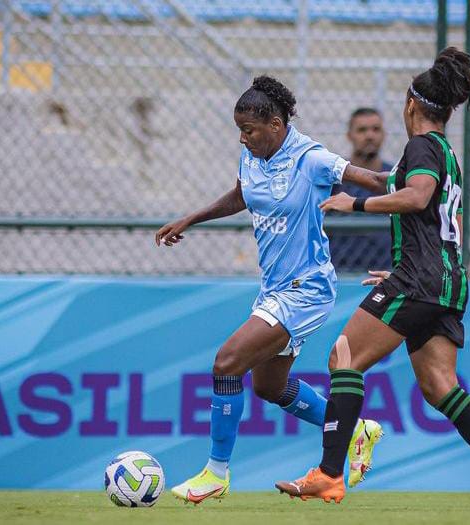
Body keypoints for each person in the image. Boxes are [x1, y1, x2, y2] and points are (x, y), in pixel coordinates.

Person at [275, 48, 470, 511]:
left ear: (410, 104)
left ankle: (330, 474)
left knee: (344, 358)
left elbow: (415, 197)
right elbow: (395, 183)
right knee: (441, 386)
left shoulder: (421, 147)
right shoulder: (443, 152)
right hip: (446, 278)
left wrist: (351, 203)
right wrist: (333, 169)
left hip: (421, 278)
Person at [155, 76, 382, 503]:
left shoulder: (311, 158)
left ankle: (216, 473)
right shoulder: (252, 156)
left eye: (250, 131)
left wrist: (420, 184)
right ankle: (355, 430)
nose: (243, 138)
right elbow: (242, 195)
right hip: (274, 289)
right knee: (269, 388)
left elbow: (367, 178)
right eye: (240, 131)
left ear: (276, 125)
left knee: (226, 363)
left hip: (306, 289)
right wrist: (191, 218)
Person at [329, 108, 392, 272]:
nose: (370, 135)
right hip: (340, 272)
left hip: (385, 271)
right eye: (362, 130)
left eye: (376, 129)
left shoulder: (394, 178)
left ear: (384, 134)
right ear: (349, 135)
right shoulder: (334, 177)